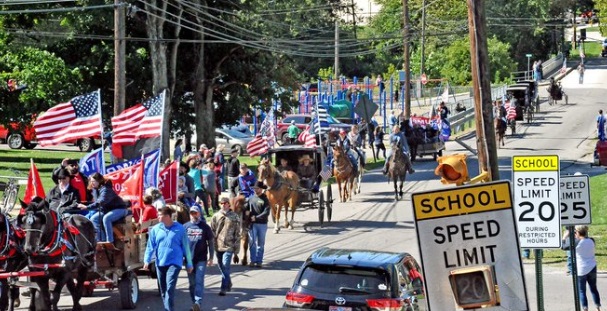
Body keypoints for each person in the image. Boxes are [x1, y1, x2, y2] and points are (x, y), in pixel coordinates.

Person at [143, 206, 193, 311]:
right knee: (163, 289)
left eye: (160, 215)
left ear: (167, 216)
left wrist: (189, 263)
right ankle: (168, 308)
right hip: (160, 263)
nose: (158, 216)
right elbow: (150, 246)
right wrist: (147, 260)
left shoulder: (180, 228)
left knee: (170, 287)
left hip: (175, 262)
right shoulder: (155, 229)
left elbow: (186, 247)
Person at [77, 172, 129, 243]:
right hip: (107, 210)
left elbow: (101, 202)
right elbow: (96, 202)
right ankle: (101, 240)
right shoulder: (96, 189)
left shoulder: (106, 189)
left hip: (120, 209)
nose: (92, 183)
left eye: (93, 181)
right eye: (91, 181)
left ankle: (109, 241)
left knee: (106, 218)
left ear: (99, 181)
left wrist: (86, 207)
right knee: (93, 219)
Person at [184, 204, 214, 311]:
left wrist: (211, 257)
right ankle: (194, 303)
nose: (193, 215)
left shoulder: (205, 227)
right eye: (191, 213)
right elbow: (181, 244)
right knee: (192, 284)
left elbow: (210, 242)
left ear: (199, 213)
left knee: (199, 281)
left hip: (201, 259)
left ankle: (198, 302)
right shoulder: (185, 227)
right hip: (189, 260)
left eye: (195, 213)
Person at [210, 197, 241, 296]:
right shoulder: (216, 216)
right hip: (218, 245)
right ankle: (228, 281)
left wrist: (236, 251)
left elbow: (237, 233)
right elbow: (212, 230)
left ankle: (223, 288)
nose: (223, 205)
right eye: (221, 203)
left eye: (225, 203)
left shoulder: (234, 217)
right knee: (221, 267)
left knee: (225, 265)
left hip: (229, 245)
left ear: (229, 204)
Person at [575, 225, 601, 311]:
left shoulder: (577, 242)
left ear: (578, 233)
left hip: (581, 269)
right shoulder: (591, 240)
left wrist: (565, 237)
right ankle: (598, 307)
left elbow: (564, 246)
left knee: (582, 291)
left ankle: (585, 308)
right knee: (593, 288)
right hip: (592, 267)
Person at [247, 181, 270, 267]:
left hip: (262, 224)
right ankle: (252, 260)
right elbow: (246, 208)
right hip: (252, 224)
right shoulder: (251, 198)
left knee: (261, 243)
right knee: (252, 242)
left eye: (257, 188)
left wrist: (256, 217)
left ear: (261, 189)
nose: (256, 190)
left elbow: (266, 212)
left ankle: (259, 261)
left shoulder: (265, 199)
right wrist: (246, 213)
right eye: (255, 188)